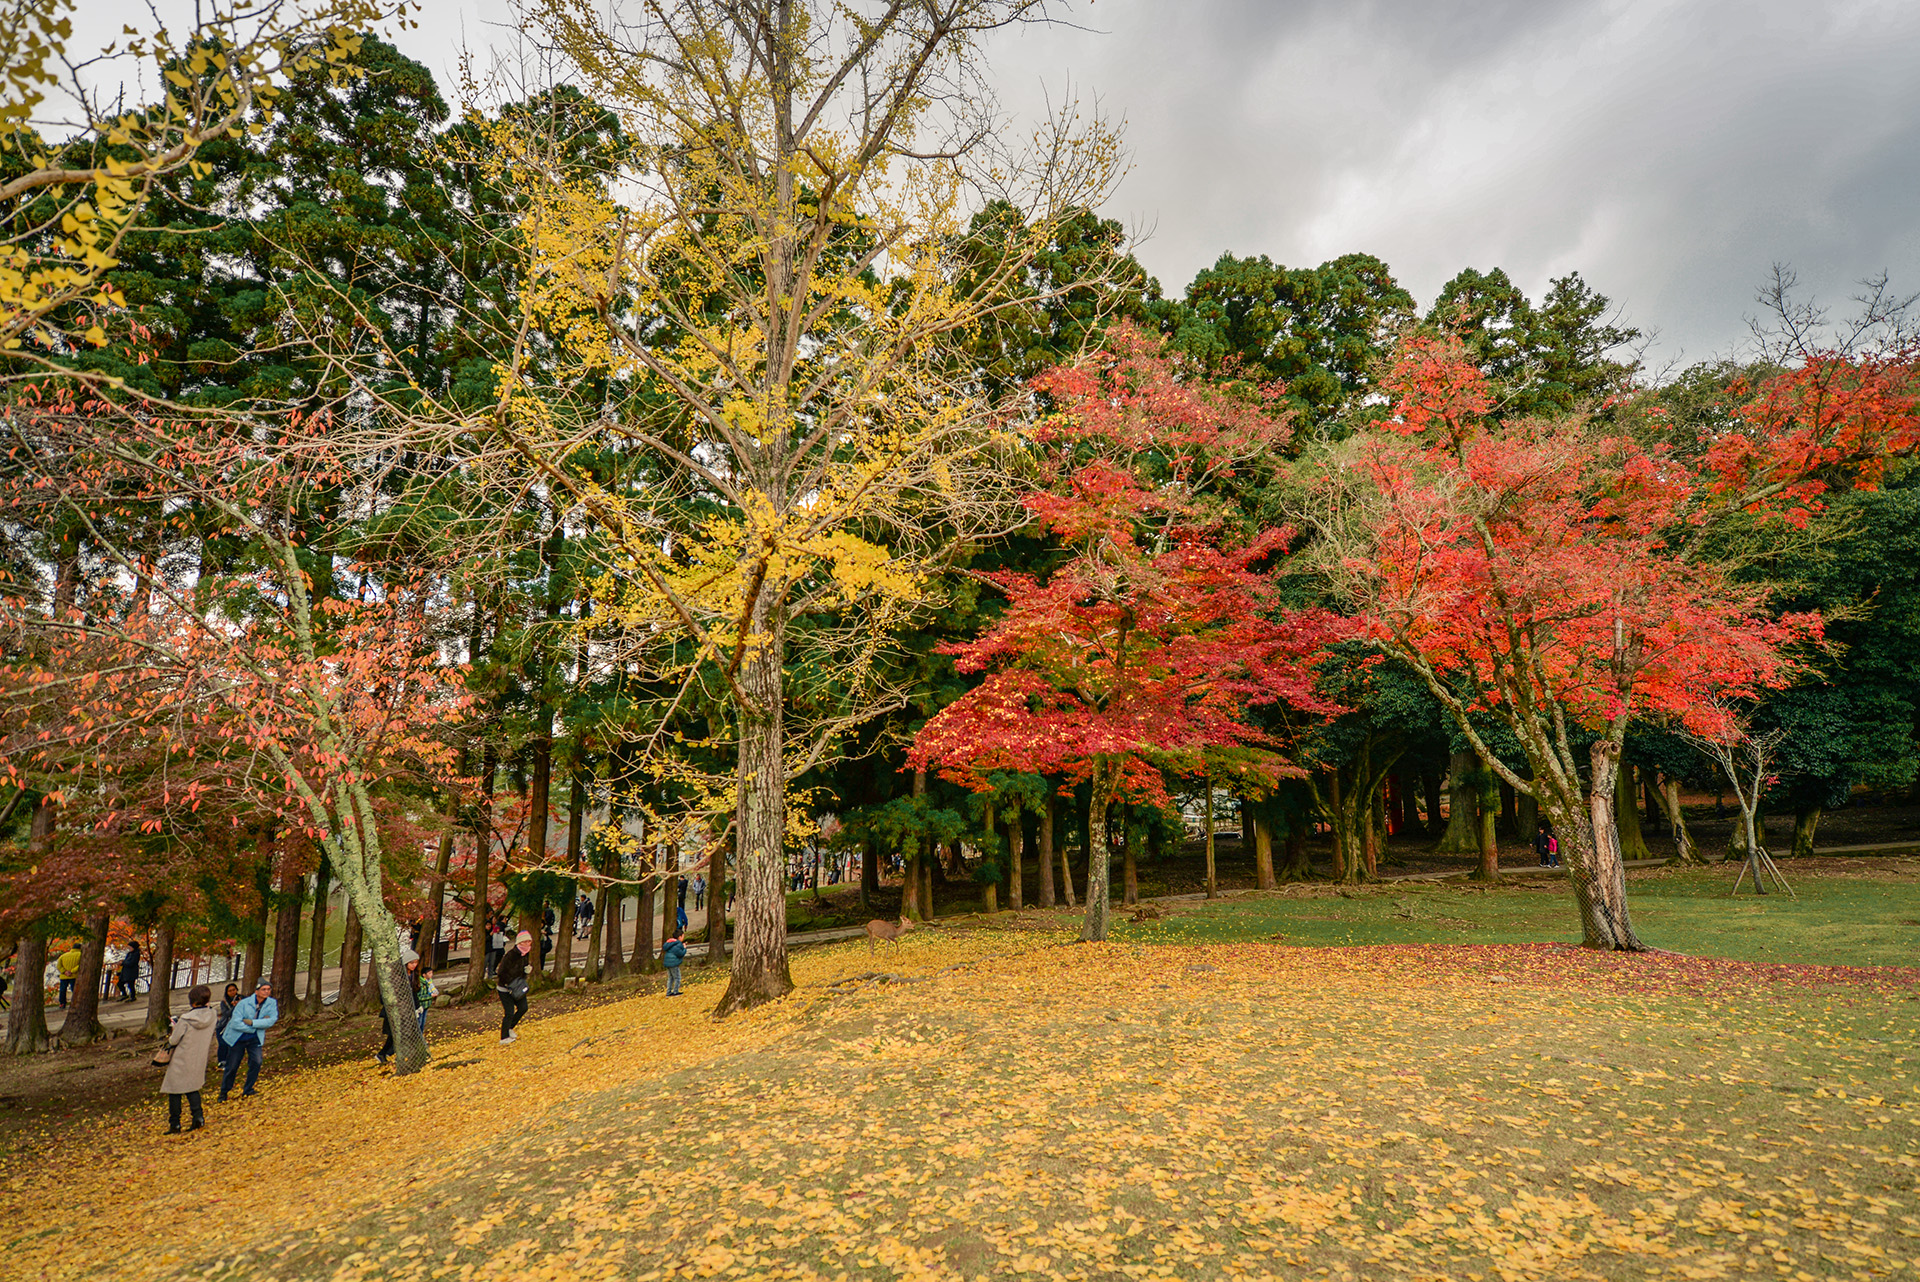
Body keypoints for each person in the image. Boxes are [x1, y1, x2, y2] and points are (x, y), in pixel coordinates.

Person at [161, 984, 218, 1133]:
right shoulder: (212, 1016)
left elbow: (174, 1040)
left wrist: (174, 1027)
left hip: (182, 1057)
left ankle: (175, 1123)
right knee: (192, 1088)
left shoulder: (186, 1020)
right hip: (199, 1057)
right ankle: (198, 1117)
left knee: (174, 1090)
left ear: (192, 1002)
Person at [218, 977, 278, 1100]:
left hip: (255, 1039)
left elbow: (271, 1021)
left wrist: (252, 1023)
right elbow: (236, 1023)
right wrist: (257, 1025)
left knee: (257, 1062)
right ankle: (224, 1092)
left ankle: (248, 1089)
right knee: (232, 1066)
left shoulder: (271, 1003)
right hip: (237, 1039)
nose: (266, 992)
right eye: (263, 989)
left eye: (268, 989)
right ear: (257, 991)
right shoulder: (244, 1003)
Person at [377, 953, 423, 1067]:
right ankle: (384, 1054)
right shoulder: (398, 977)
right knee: (394, 1034)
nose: (414, 965)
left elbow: (413, 992)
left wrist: (418, 1006)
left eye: (416, 963)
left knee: (403, 1033)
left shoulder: (413, 975)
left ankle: (391, 1054)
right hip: (395, 1010)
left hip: (407, 1010)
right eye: (412, 963)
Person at [496, 929, 533, 1045]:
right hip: (505, 988)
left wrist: (526, 971)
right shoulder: (511, 955)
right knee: (509, 1012)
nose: (527, 944)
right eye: (525, 942)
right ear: (519, 943)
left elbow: (522, 970)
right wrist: (509, 983)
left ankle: (510, 1027)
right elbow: (501, 972)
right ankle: (504, 1037)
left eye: (529, 942)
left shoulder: (526, 954)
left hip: (517, 987)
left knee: (523, 1007)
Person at [213, 982, 241, 1077]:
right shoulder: (224, 1002)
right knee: (223, 1044)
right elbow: (227, 1014)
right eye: (230, 991)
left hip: (235, 1026)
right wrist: (234, 1007)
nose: (232, 992)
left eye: (234, 990)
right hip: (223, 1026)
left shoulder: (242, 999)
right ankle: (221, 1062)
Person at [661, 930, 686, 997]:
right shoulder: (678, 944)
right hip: (673, 963)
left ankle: (669, 992)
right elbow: (680, 954)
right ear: (679, 937)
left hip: (668, 962)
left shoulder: (670, 943)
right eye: (683, 936)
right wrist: (684, 948)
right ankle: (675, 991)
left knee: (670, 978)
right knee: (677, 977)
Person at [55, 943, 81, 1008]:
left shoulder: (63, 956)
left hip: (64, 976)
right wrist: (72, 971)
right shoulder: (80, 955)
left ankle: (62, 1003)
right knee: (74, 990)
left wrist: (64, 972)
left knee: (62, 990)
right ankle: (75, 1003)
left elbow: (58, 966)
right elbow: (80, 965)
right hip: (74, 975)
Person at [416, 966, 437, 1036]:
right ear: (424, 975)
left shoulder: (429, 982)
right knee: (419, 1022)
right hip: (421, 1006)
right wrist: (430, 996)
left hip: (426, 1005)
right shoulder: (421, 984)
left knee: (423, 1022)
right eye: (429, 973)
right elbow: (419, 997)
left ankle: (420, 1036)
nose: (431, 975)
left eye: (432, 973)